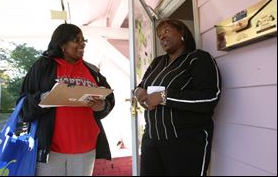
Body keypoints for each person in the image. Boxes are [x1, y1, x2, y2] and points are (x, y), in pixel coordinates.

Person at [19, 23, 115, 176]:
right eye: (76, 40)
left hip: (86, 150)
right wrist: (46, 98)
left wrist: (102, 105)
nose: (82, 44)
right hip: (51, 151)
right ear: (62, 44)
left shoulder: (92, 70)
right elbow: (22, 104)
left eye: (83, 40)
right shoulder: (43, 66)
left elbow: (109, 99)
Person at [134, 18, 221, 176]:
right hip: (152, 139)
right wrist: (139, 93)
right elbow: (141, 85)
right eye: (159, 35)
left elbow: (209, 97)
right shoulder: (158, 62)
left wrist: (163, 96)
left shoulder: (198, 58)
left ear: (182, 32)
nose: (162, 37)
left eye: (166, 31)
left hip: (185, 142)